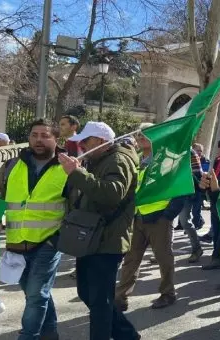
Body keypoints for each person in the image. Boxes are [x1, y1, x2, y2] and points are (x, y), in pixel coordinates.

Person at [0, 119, 66, 340]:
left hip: (49, 242)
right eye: (34, 135)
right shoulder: (11, 165)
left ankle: (28, 336)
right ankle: (51, 334)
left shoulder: (68, 167)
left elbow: (78, 205)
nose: (38, 140)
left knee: (36, 294)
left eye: (45, 135)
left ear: (56, 140)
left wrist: (59, 238)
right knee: (36, 295)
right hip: (16, 242)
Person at [58, 121, 141, 340]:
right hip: (92, 237)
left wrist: (77, 173)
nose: (83, 145)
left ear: (101, 142)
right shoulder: (99, 159)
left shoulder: (118, 160)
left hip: (107, 239)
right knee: (88, 294)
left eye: (87, 141)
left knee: (100, 302)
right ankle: (127, 335)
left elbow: (112, 194)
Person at [114, 129, 185, 311]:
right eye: (139, 135)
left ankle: (168, 293)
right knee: (131, 258)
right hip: (137, 216)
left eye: (147, 134)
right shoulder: (134, 158)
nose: (141, 137)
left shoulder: (166, 160)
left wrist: (168, 215)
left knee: (163, 258)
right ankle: (121, 296)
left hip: (159, 218)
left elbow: (181, 188)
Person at [200, 139, 220, 270]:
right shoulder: (217, 161)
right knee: (216, 229)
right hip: (214, 201)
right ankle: (217, 257)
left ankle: (218, 258)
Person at [177, 144, 204, 263]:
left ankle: (197, 249)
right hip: (173, 192)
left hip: (185, 193)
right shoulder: (172, 150)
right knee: (166, 223)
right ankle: (162, 253)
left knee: (184, 221)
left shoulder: (190, 152)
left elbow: (197, 173)